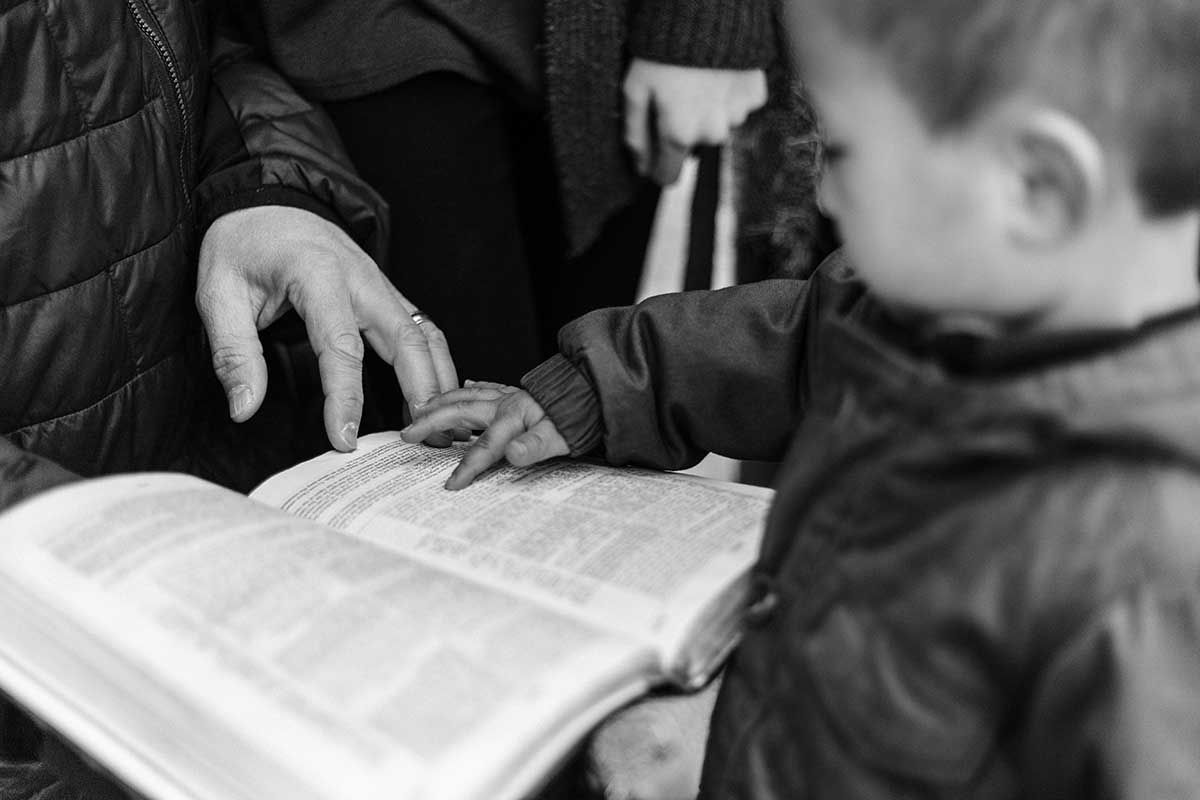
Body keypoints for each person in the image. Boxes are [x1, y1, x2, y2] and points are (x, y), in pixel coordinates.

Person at [401, 0, 1200, 797]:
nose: (821, 199)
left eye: (842, 152)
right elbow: (780, 342)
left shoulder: (1145, 586)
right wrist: (591, 390)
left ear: (1038, 188)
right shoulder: (922, 309)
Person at [0, 1, 457, 792]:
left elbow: (199, 46)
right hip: (52, 644)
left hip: (210, 505)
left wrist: (266, 192)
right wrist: (83, 553)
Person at [238, 0, 772, 404]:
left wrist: (706, 22)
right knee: (452, 443)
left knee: (581, 413)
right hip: (372, 34)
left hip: (599, 45)